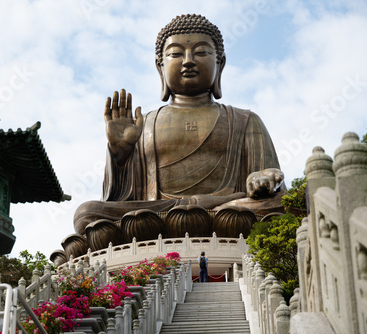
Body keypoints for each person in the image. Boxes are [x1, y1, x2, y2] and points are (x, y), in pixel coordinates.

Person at [72, 14, 284, 247]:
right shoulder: (146, 124)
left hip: (229, 209)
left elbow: (270, 183)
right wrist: (120, 153)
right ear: (160, 67)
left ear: (220, 64)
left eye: (201, 52)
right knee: (86, 214)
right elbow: (124, 197)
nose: (188, 61)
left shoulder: (245, 120)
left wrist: (262, 178)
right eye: (175, 53)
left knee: (281, 204)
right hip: (157, 214)